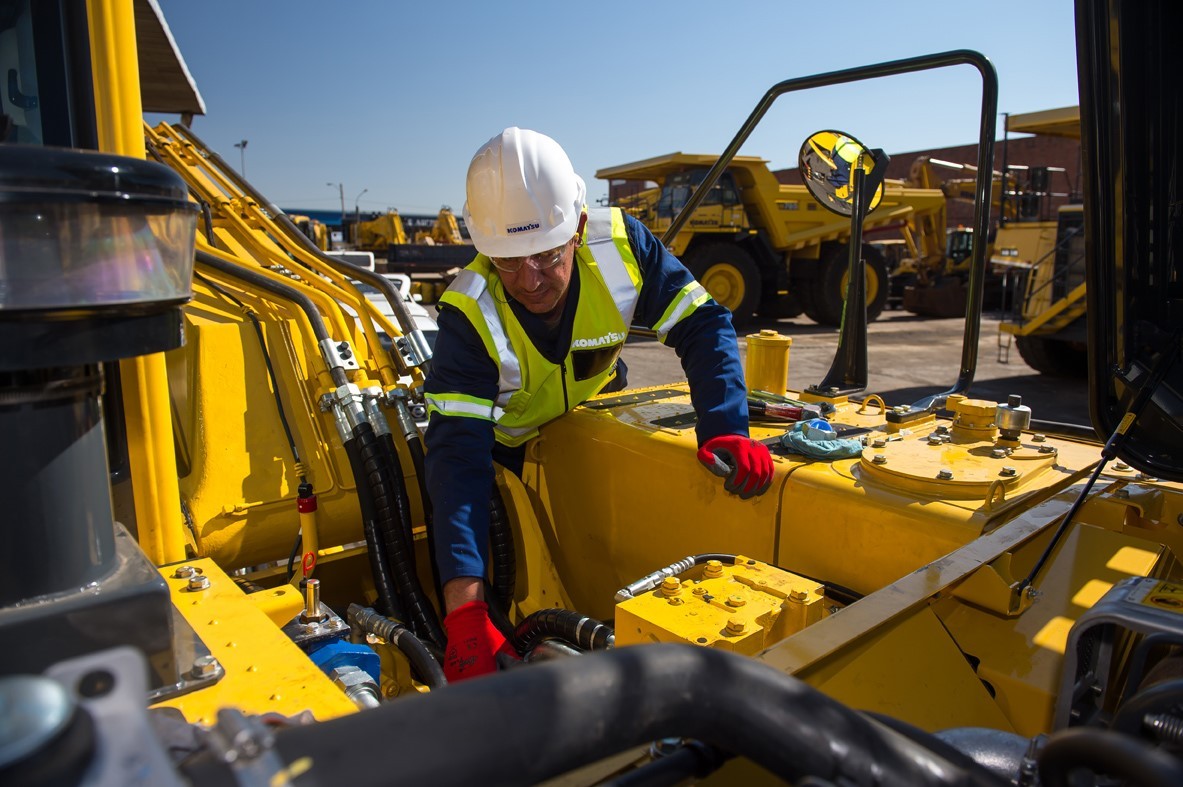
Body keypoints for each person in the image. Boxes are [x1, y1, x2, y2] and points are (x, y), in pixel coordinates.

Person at [423, 127, 773, 682]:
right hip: (508, 456)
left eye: (545, 254)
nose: (529, 280)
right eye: (508, 261)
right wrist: (465, 609)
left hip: (595, 409)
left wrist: (726, 426)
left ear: (579, 229)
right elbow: (455, 458)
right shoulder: (469, 314)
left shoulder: (621, 248)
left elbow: (704, 323)